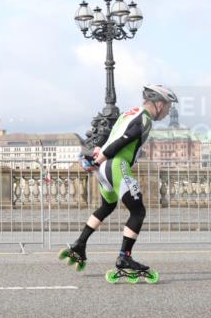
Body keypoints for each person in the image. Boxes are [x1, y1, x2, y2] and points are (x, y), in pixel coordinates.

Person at [60, 85, 177, 280]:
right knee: (138, 212)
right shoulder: (145, 119)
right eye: (167, 107)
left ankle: (79, 245)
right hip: (115, 164)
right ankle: (124, 258)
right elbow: (124, 139)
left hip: (103, 169)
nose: (168, 112)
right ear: (158, 104)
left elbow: (108, 134)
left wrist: (97, 152)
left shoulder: (128, 114)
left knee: (107, 206)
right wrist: (100, 159)